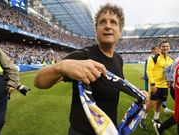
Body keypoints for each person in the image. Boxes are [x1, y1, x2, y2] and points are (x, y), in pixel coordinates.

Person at [34, 3, 144, 135]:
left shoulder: (119, 59)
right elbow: (39, 82)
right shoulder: (83, 56)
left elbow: (117, 85)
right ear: (96, 29)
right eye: (103, 22)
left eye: (113, 22)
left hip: (108, 130)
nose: (108, 26)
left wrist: (140, 93)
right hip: (81, 132)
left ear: (119, 31)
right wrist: (62, 66)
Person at [153, 42, 179, 135]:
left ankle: (178, 131)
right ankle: (161, 127)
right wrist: (170, 81)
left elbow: (167, 69)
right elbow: (167, 70)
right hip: (178, 89)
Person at [140, 40, 174, 130]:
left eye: (167, 46)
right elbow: (149, 71)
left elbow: (171, 72)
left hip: (165, 85)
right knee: (152, 102)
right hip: (156, 84)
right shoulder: (153, 58)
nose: (165, 48)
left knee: (159, 102)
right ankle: (142, 119)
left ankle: (156, 118)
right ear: (160, 48)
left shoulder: (171, 59)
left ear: (169, 47)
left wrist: (170, 81)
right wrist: (152, 84)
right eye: (163, 46)